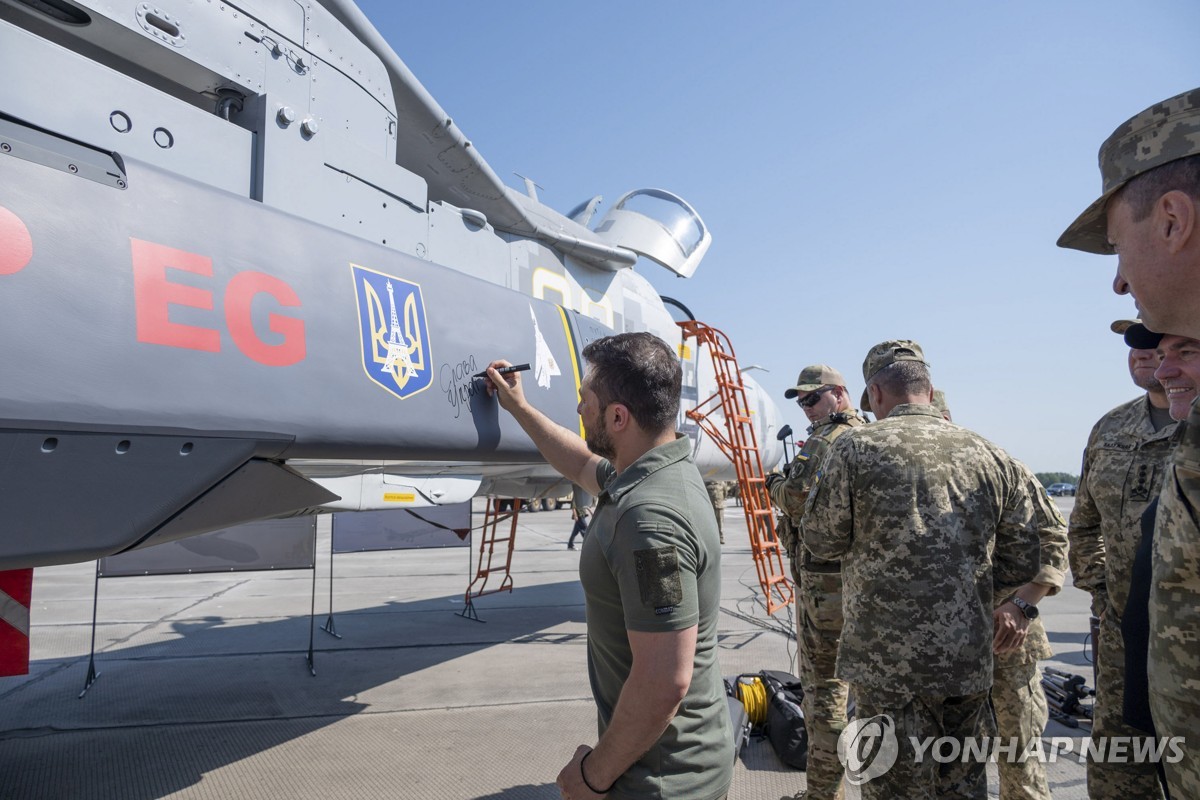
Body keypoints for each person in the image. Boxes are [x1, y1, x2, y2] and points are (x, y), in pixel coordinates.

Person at [483, 331, 732, 800]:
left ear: (618, 416)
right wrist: (519, 407)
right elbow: (580, 465)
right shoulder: (658, 470)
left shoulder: (650, 521)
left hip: (662, 780)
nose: (580, 410)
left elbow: (664, 681)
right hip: (670, 765)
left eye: (586, 400)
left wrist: (593, 776)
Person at [801, 340, 1041, 800]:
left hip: (885, 663)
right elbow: (1023, 560)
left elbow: (821, 540)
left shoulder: (855, 448)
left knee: (890, 784)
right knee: (962, 784)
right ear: (929, 391)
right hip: (966, 662)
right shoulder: (988, 453)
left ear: (874, 393)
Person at [1058, 88, 1200, 798]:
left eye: (1118, 247)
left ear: (1173, 220)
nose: (1118, 281)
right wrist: (1112, 591)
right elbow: (1081, 522)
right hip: (1123, 651)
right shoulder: (1112, 429)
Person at [934, 390, 1070, 800]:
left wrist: (1025, 603)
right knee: (952, 759)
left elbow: (1055, 539)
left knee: (1019, 756)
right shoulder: (909, 483)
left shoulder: (1000, 467)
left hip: (1006, 639)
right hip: (947, 646)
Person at [1066, 321, 1177, 798]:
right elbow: (1084, 523)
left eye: (1153, 345)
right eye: (1132, 348)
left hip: (1188, 631)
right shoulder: (1111, 427)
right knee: (1120, 757)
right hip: (1120, 629)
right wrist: (1102, 592)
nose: (1140, 355)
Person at [765, 364, 866, 800]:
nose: (807, 408)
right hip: (864, 587)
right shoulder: (870, 435)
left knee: (823, 695)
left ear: (839, 394)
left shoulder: (827, 439)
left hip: (826, 591)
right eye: (802, 401)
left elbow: (795, 496)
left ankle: (824, 795)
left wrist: (773, 484)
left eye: (813, 398)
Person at [567, 484, 593, 550]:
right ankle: (588, 545)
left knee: (575, 532)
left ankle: (570, 545)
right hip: (579, 516)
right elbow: (573, 507)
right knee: (585, 530)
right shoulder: (576, 496)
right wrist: (575, 515)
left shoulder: (582, 496)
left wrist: (591, 512)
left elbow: (586, 505)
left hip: (582, 515)